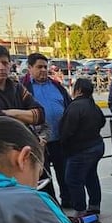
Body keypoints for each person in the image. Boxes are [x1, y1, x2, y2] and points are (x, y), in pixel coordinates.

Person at [22, 53, 73, 208]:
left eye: (45, 67)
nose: (43, 70)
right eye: (39, 67)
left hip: (60, 139)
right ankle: (51, 206)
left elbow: (69, 107)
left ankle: (68, 200)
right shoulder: (23, 88)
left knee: (64, 173)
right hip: (38, 142)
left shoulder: (56, 86)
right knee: (43, 176)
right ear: (30, 68)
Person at [59, 78, 106, 216]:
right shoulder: (93, 105)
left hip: (80, 149)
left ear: (78, 90)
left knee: (73, 179)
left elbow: (67, 131)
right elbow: (102, 121)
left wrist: (64, 145)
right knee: (91, 176)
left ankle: (80, 210)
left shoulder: (75, 106)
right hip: (96, 145)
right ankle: (94, 205)